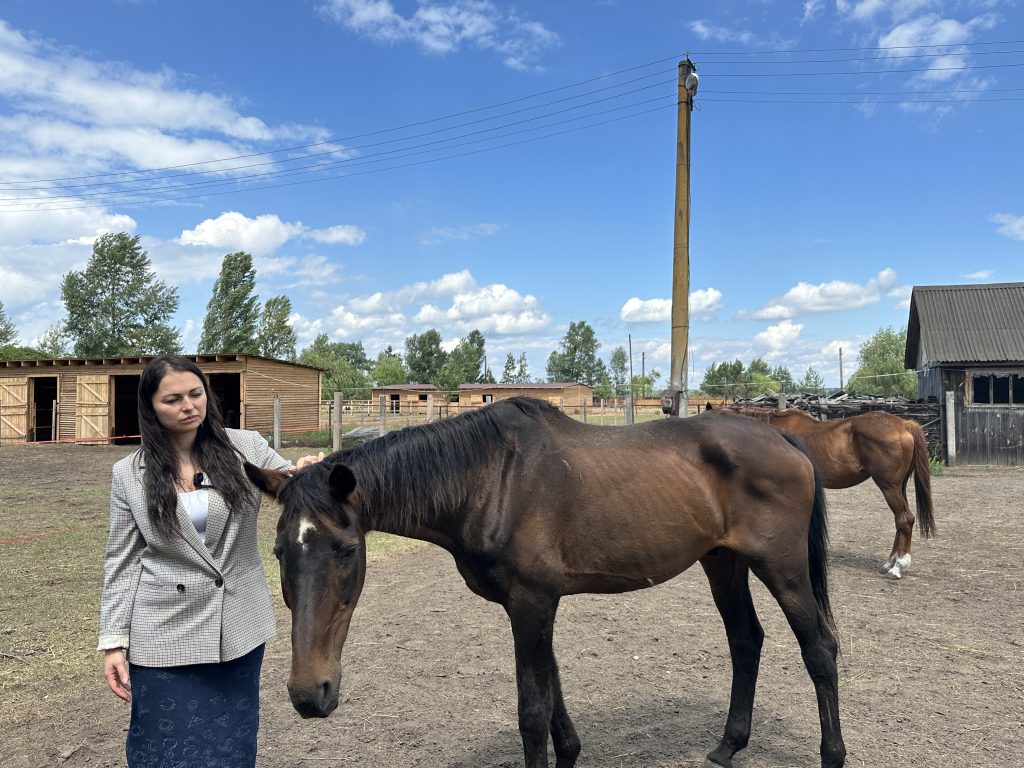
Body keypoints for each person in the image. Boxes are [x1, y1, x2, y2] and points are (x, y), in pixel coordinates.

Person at [98, 355, 323, 767]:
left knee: (230, 744)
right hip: (162, 635)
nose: (189, 406)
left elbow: (288, 480)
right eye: (173, 399)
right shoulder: (128, 474)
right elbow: (122, 560)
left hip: (237, 627)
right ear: (150, 407)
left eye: (195, 394)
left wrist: (307, 471)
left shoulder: (246, 447)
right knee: (161, 749)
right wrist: (113, 640)